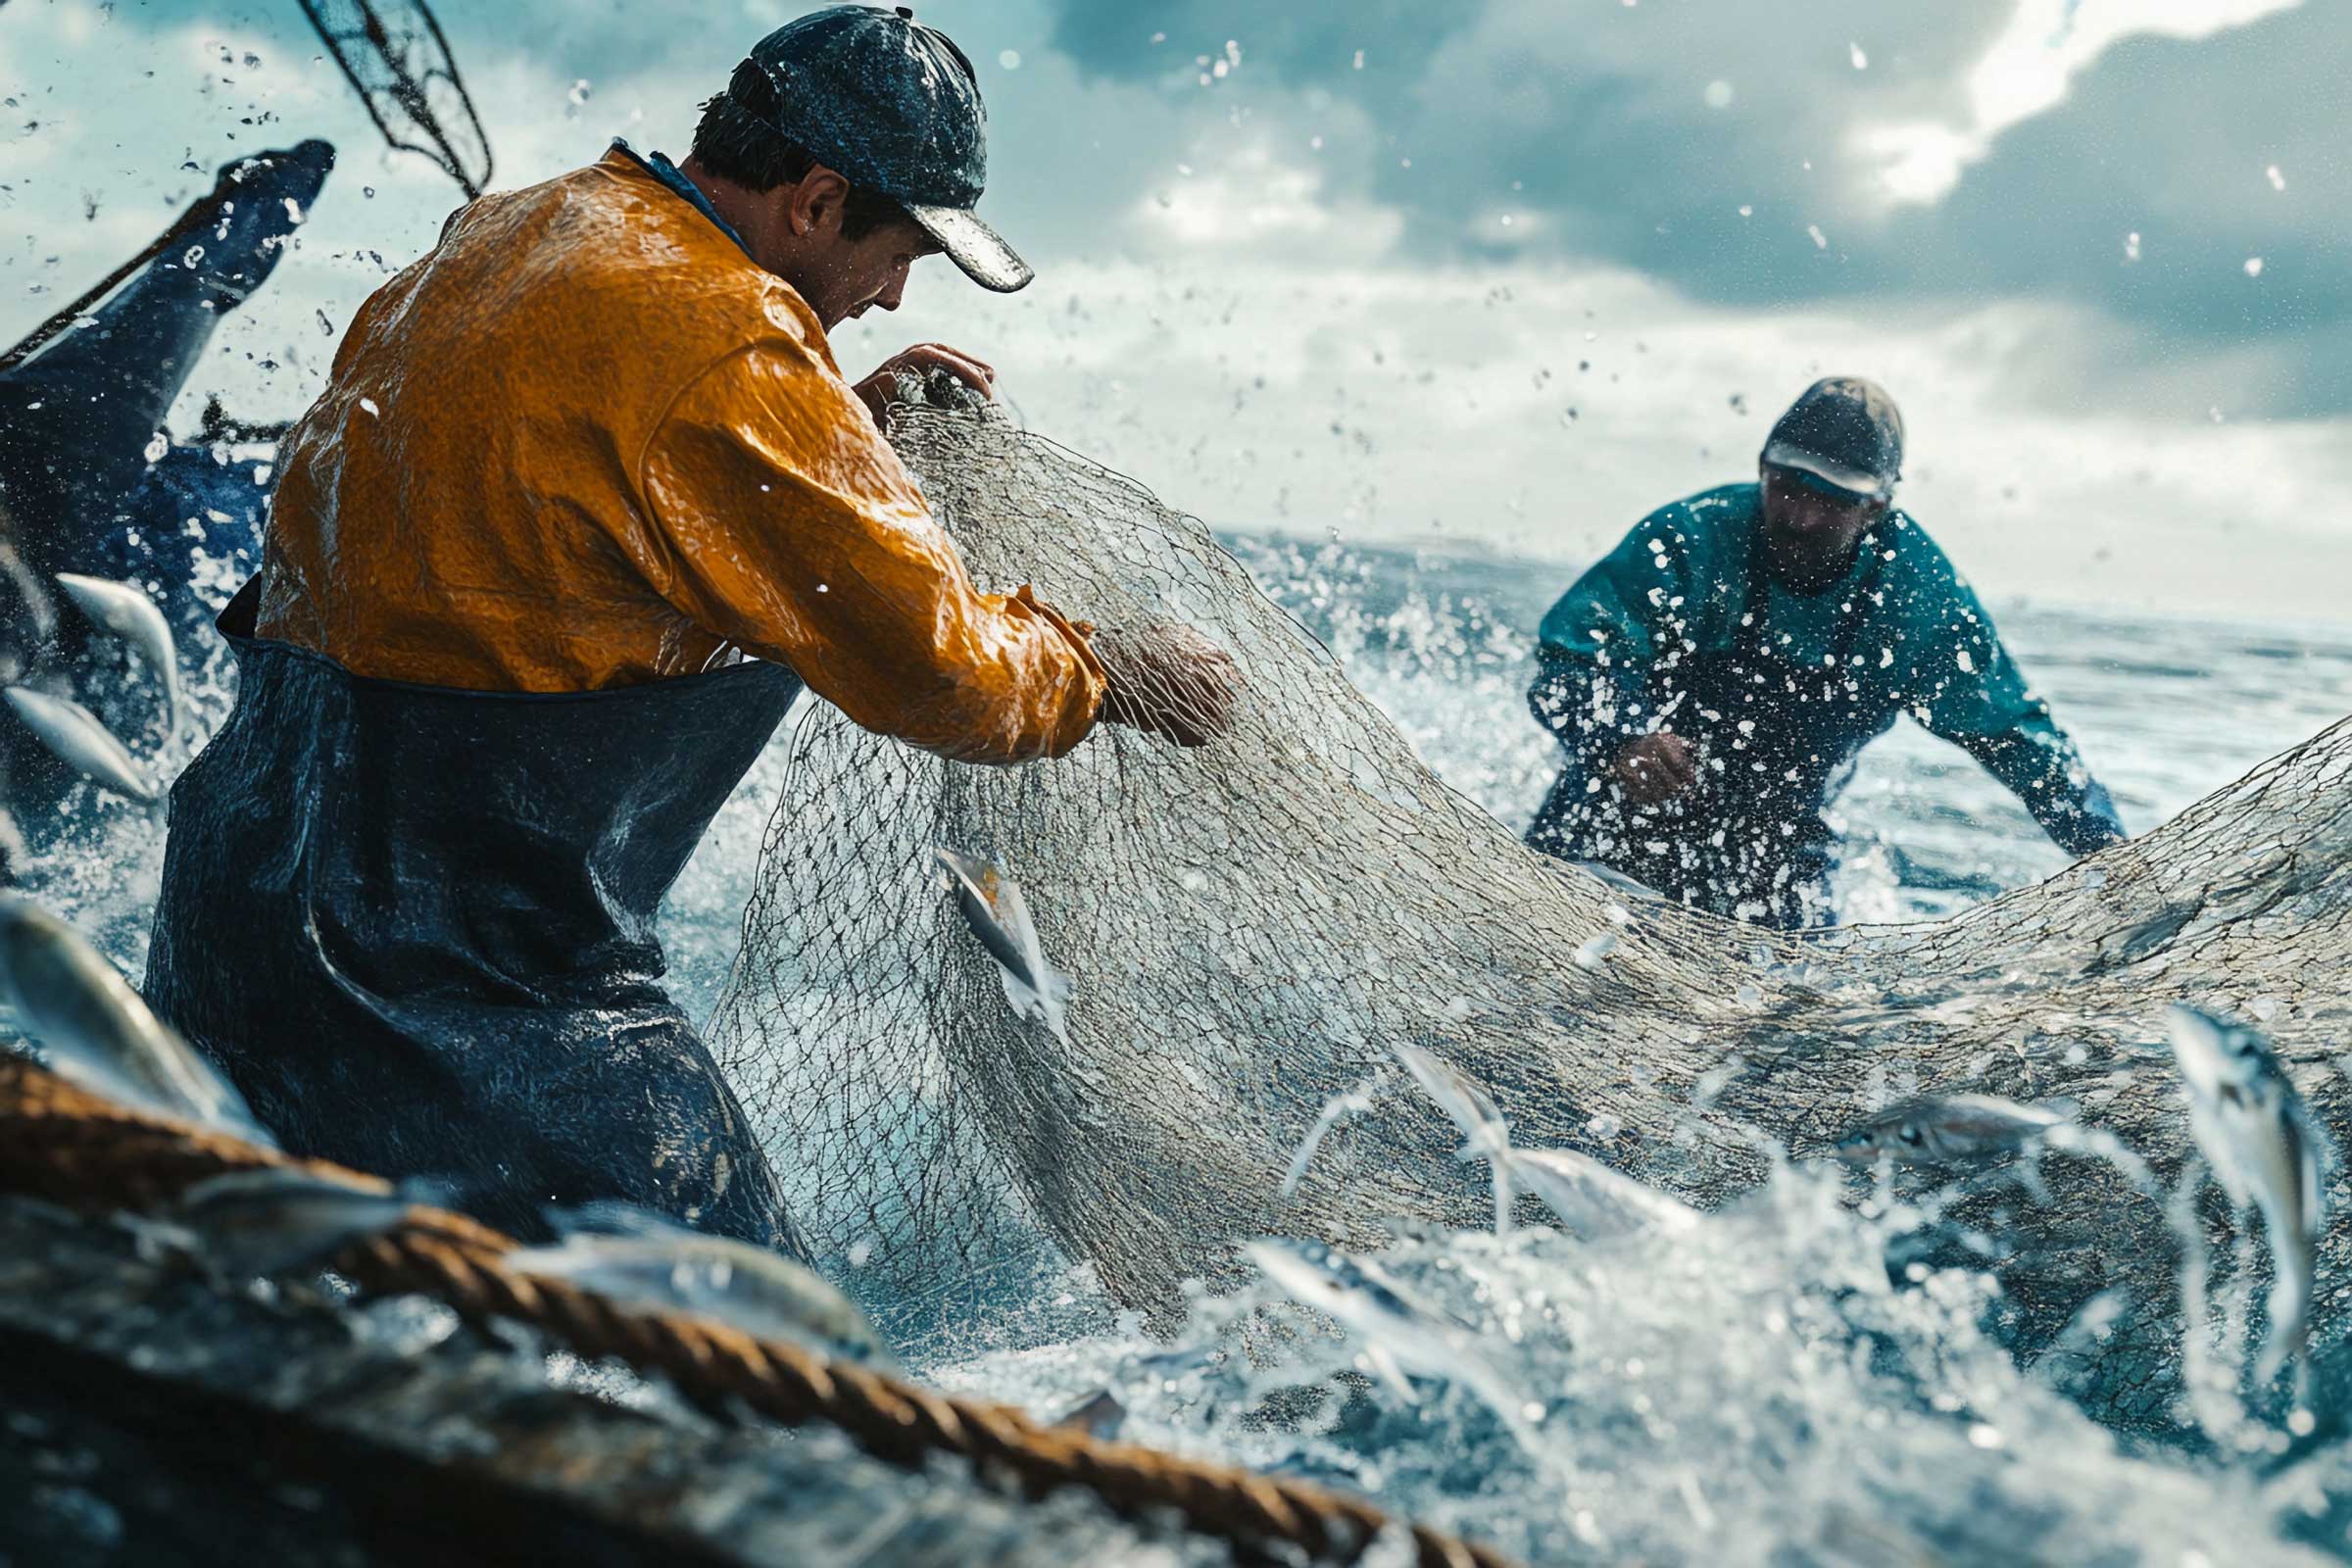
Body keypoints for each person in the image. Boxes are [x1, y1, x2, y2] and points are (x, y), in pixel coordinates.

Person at [142, 7, 1236, 1256]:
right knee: (761, 1337)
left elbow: (557, 516)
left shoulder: (519, 228)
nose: (892, 295)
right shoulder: (732, 342)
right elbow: (940, 672)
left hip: (235, 915)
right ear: (815, 201)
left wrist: (834, 428)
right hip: (461, 989)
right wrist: (1108, 669)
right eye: (899, 256)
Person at [1525, 376, 2123, 928]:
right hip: (1614, 806)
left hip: (1778, 850)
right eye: (1788, 487)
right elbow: (1573, 658)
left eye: (1833, 500)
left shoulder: (1919, 600)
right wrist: (1622, 738)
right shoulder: (1691, 540)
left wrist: (2113, 859)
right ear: (1762, 470)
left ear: (1877, 507)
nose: (1802, 518)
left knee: (1789, 1000)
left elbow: (2017, 738)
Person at [0, 140, 337, 877]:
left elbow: (200, 278)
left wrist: (256, 196)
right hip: (54, 569)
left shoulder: (60, 424)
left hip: (49, 464)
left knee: (195, 280)